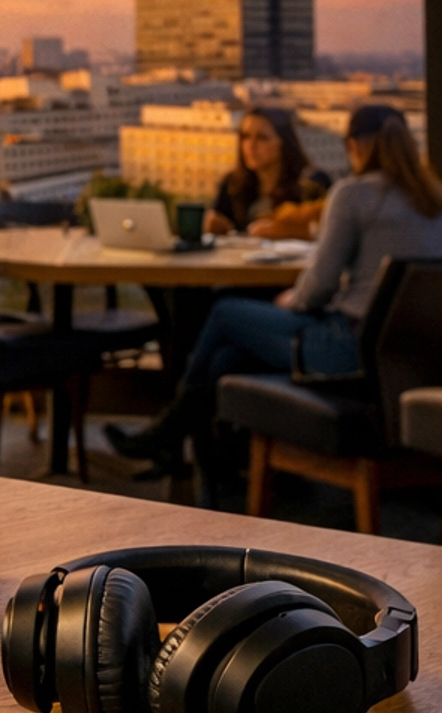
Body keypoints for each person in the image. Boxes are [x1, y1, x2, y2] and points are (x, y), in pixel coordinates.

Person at [128, 104, 442, 475]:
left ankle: (171, 432)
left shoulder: (353, 195)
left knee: (225, 311)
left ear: (355, 146)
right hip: (412, 360)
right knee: (226, 359)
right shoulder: (434, 198)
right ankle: (213, 464)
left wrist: (294, 299)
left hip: (347, 353)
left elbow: (319, 287)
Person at [204, 106, 330, 240]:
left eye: (262, 138)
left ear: (283, 141)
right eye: (245, 137)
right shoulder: (232, 184)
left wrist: (283, 230)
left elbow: (327, 231)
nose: (251, 146)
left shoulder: (312, 183)